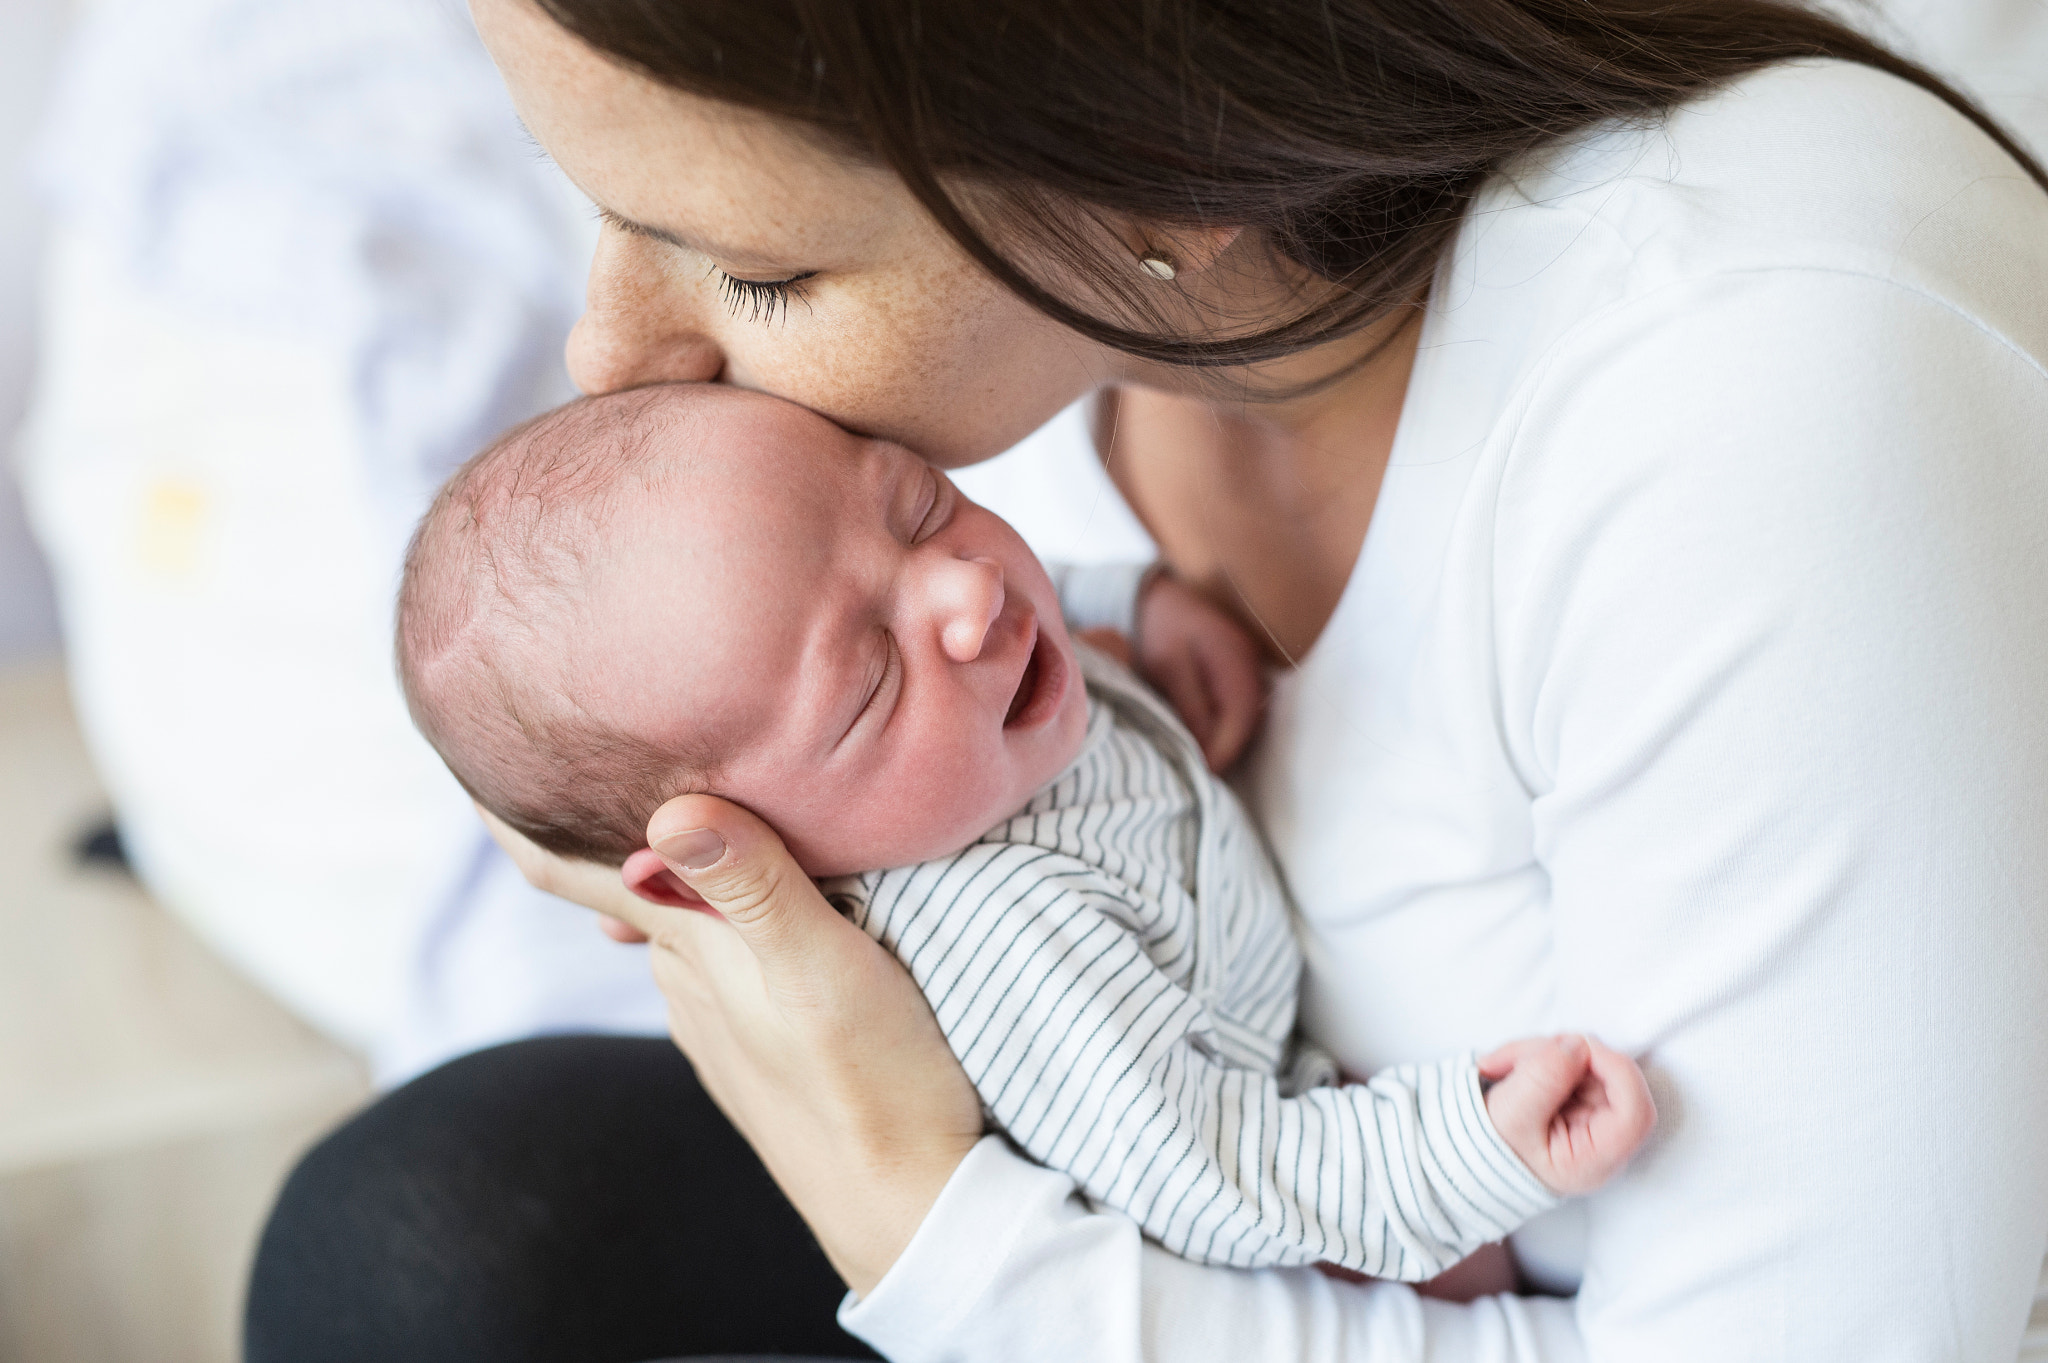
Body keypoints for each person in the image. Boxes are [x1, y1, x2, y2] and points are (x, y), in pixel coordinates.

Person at [245, 1, 2048, 1360]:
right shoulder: (1062, 348)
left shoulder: (1760, 404)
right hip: (1219, 1200)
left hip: (1415, 1254)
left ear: (1117, 128)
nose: (606, 352)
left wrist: (911, 1200)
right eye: (598, 203)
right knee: (429, 1233)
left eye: (755, 265)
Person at [395, 379, 1657, 1282]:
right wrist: (1462, 1146)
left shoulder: (965, 723)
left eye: (917, 505)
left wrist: (1138, 605)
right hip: (1291, 1211)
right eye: (870, 682)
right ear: (727, 863)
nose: (967, 592)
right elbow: (1216, 1174)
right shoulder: (1007, 933)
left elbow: (1003, 577)